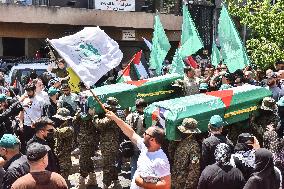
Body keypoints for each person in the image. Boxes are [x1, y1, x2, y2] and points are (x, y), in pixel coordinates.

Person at [106, 111, 171, 189]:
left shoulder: (161, 160)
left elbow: (166, 185)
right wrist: (115, 118)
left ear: (152, 140)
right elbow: (131, 133)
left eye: (146, 133)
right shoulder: (145, 147)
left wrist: (142, 183)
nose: (143, 134)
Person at [94, 97, 122, 188]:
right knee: (111, 163)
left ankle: (106, 185)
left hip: (108, 145)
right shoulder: (118, 114)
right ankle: (116, 182)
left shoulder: (112, 116)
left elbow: (99, 124)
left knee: (107, 165)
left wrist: (94, 116)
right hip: (113, 144)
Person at [74, 90, 98, 189]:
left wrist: (92, 115)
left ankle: (82, 182)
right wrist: (79, 114)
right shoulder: (80, 111)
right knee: (86, 159)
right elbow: (74, 121)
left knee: (84, 160)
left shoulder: (93, 111)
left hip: (90, 140)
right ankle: (92, 179)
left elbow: (97, 125)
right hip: (83, 140)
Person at [172, 118, 201, 189]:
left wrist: (188, 187)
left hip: (183, 184)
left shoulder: (194, 147)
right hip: (175, 181)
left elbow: (194, 170)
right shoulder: (180, 141)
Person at [126, 98, 147, 179]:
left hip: (132, 143)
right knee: (143, 167)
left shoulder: (129, 116)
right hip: (142, 144)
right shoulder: (145, 117)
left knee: (134, 166)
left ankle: (133, 184)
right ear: (143, 107)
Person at [18, 83, 45, 147]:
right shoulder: (24, 100)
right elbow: (21, 112)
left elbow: (43, 115)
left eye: (29, 91)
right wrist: (21, 123)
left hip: (36, 126)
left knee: (37, 144)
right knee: (27, 144)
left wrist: (39, 124)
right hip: (26, 126)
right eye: (27, 91)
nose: (28, 93)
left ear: (34, 90)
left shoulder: (40, 100)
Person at [52, 108, 74, 186]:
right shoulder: (61, 126)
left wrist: (48, 126)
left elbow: (57, 133)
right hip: (58, 155)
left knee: (63, 180)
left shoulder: (69, 128)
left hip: (64, 158)